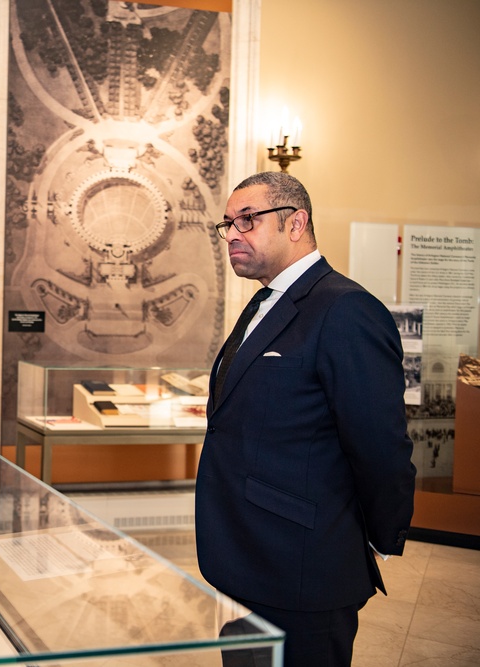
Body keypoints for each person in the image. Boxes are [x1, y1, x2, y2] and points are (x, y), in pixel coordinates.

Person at [196, 172, 416, 667]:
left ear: (296, 223)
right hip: (247, 555)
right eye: (227, 223)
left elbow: (380, 446)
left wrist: (379, 537)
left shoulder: (346, 309)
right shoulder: (262, 301)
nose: (231, 233)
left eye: (247, 220)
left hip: (303, 566)